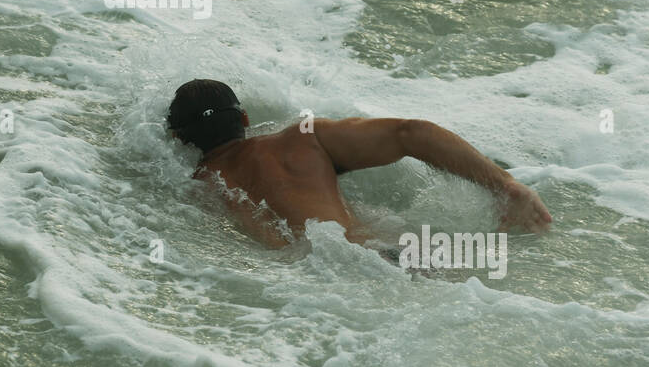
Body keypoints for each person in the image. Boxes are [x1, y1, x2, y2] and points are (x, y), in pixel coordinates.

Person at [166, 79, 552, 249]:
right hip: (383, 256)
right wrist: (505, 185)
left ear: (179, 139)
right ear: (245, 118)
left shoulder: (199, 185)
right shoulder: (302, 138)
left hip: (313, 279)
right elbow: (411, 133)